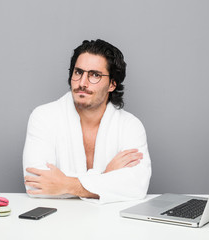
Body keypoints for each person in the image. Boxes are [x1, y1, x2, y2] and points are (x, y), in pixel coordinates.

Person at [23, 39, 151, 204]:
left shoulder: (130, 126)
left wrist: (65, 185)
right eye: (78, 72)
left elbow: (136, 186)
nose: (82, 83)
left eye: (95, 75)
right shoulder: (43, 117)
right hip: (56, 222)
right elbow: (36, 185)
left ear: (112, 84)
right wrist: (104, 177)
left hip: (110, 224)